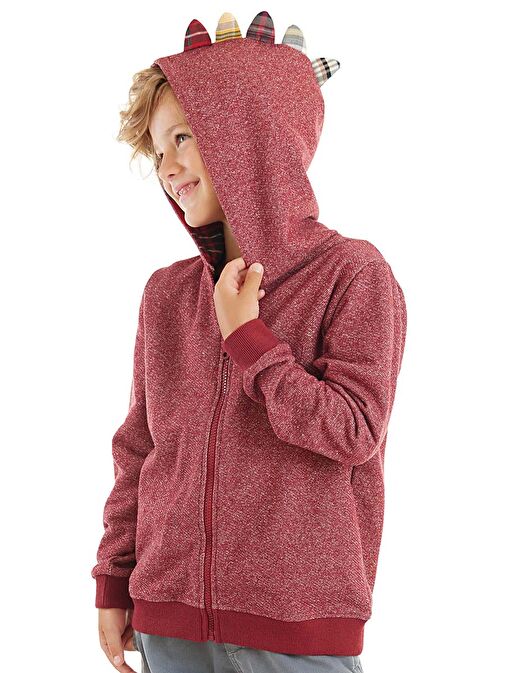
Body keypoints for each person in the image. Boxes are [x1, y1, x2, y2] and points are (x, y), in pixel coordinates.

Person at [91, 11, 407, 673]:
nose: (167, 166)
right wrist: (115, 578)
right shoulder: (166, 293)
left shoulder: (351, 274)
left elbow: (354, 430)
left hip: (295, 630)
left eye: (183, 136)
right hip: (167, 622)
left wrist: (249, 340)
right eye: (158, 148)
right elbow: (139, 446)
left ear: (249, 134)